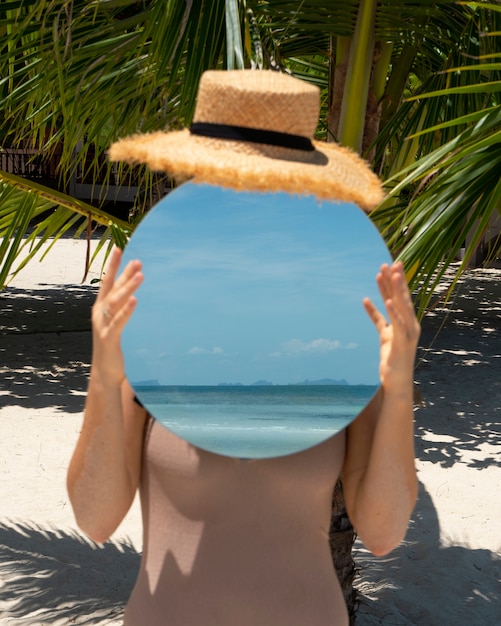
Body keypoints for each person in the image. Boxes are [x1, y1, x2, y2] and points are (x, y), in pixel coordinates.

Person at [67, 69, 420, 626]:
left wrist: (398, 389)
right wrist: (104, 373)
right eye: (228, 185)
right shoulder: (153, 340)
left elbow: (381, 533)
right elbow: (94, 518)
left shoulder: (343, 352)